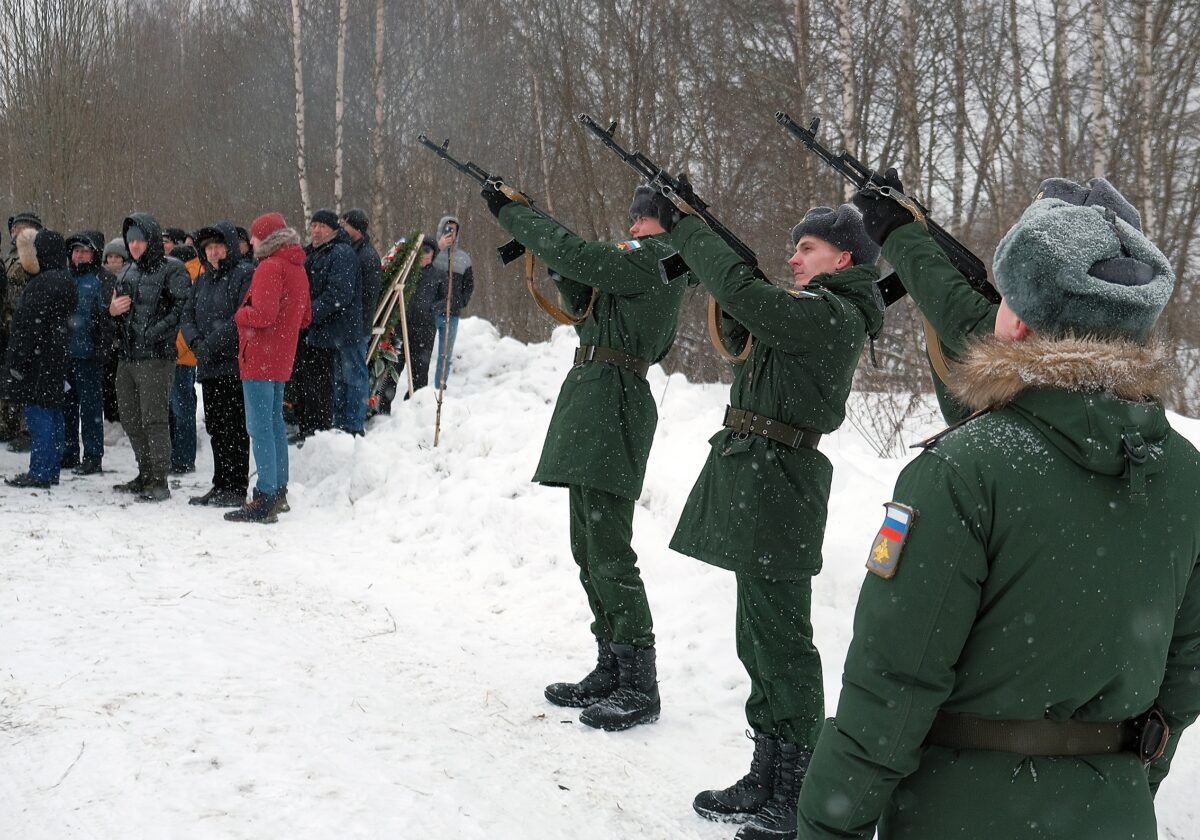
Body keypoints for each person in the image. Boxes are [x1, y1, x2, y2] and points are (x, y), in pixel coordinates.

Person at [795, 179, 1198, 840]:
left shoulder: (961, 471)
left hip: (961, 813)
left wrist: (825, 827)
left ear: (1016, 318)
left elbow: (890, 695)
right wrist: (1115, 781)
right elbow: (1181, 683)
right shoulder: (1185, 475)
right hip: (1115, 816)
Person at [668, 204, 883, 840]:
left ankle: (800, 792)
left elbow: (743, 293)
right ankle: (769, 770)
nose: (793, 258)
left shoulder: (835, 314)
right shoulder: (809, 311)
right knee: (756, 635)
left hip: (781, 483)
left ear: (843, 259)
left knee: (783, 641)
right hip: (757, 473)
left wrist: (688, 230)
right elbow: (743, 317)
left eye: (807, 248)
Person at [481, 182, 689, 731]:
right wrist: (556, 262)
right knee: (588, 544)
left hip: (615, 399)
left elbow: (581, 255)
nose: (633, 228)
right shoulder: (641, 264)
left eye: (641, 219)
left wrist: (519, 217)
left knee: (609, 548)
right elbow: (583, 298)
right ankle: (612, 664)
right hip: (596, 395)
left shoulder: (662, 258)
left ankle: (639, 683)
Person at [228, 212, 311, 523]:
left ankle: (264, 498)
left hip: (260, 357)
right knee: (274, 425)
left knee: (260, 427)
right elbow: (305, 318)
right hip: (281, 358)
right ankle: (279, 492)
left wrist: (240, 315)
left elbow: (262, 314)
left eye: (255, 235)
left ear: (267, 238)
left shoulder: (269, 267)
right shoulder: (297, 267)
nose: (251, 241)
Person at [107, 212, 191, 502]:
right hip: (127, 357)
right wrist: (112, 313)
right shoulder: (127, 272)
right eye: (131, 241)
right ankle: (144, 473)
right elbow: (117, 313)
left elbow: (181, 307)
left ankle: (159, 479)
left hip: (156, 357)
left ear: (152, 240)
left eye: (140, 240)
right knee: (130, 419)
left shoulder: (173, 269)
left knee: (154, 420)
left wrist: (154, 332)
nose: (135, 246)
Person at [182, 223, 255, 507]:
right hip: (209, 366)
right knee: (215, 426)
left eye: (219, 246)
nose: (213, 252)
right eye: (208, 247)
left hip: (233, 365)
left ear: (230, 247)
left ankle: (236, 486)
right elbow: (187, 314)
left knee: (233, 427)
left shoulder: (243, 274)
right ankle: (220, 482)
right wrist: (196, 343)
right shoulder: (202, 279)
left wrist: (209, 344)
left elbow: (240, 318)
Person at [1, 228, 77, 488]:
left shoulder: (41, 285)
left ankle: (40, 472)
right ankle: (50, 468)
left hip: (37, 361)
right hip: (56, 358)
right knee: (53, 412)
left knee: (39, 415)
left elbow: (26, 329)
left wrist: (16, 364)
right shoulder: (65, 280)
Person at [294, 208, 361, 439]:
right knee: (305, 381)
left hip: (330, 331)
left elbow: (338, 294)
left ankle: (318, 431)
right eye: (313, 226)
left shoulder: (341, 253)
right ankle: (306, 427)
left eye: (322, 226)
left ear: (333, 229)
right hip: (309, 330)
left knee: (321, 385)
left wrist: (308, 314)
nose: (316, 230)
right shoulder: (310, 252)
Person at [61, 231, 114, 475]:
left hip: (90, 355)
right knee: (67, 406)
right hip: (66, 355)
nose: (80, 256)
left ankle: (93, 456)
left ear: (94, 254)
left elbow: (109, 319)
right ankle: (69, 452)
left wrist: (102, 348)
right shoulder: (65, 277)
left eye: (85, 251)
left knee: (91, 409)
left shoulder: (103, 280)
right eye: (76, 251)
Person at [2, 211, 44, 450]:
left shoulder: (33, 256)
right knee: (11, 378)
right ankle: (9, 425)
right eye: (16, 227)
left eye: (24, 227)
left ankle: (26, 429)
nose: (17, 231)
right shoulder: (10, 257)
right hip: (9, 325)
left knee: (27, 378)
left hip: (26, 327)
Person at [340, 208, 380, 432]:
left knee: (354, 374)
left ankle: (354, 424)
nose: (342, 229)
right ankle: (342, 420)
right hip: (345, 326)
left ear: (356, 229)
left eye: (345, 225)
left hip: (356, 327)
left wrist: (356, 324)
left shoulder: (367, 256)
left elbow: (368, 297)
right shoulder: (351, 250)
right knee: (343, 375)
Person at [169, 242, 203, 474]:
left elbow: (184, 318)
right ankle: (182, 456)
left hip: (179, 353)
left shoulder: (185, 277)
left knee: (180, 409)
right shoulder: (199, 273)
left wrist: (175, 349)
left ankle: (182, 458)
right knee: (182, 406)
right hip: (186, 353)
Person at [430, 214, 474, 390]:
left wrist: (460, 302)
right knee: (422, 352)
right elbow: (421, 271)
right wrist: (438, 247)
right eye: (447, 229)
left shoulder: (464, 258)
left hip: (451, 313)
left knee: (445, 354)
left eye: (453, 230)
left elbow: (469, 285)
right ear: (441, 230)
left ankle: (439, 387)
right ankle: (418, 391)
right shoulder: (431, 252)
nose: (450, 233)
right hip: (430, 311)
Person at [100, 238, 129, 422]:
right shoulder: (101, 278)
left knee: (124, 384)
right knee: (108, 383)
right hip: (107, 338)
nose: (113, 260)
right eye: (109, 257)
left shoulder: (130, 276)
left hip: (125, 338)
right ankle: (111, 418)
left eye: (117, 257)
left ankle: (124, 417)